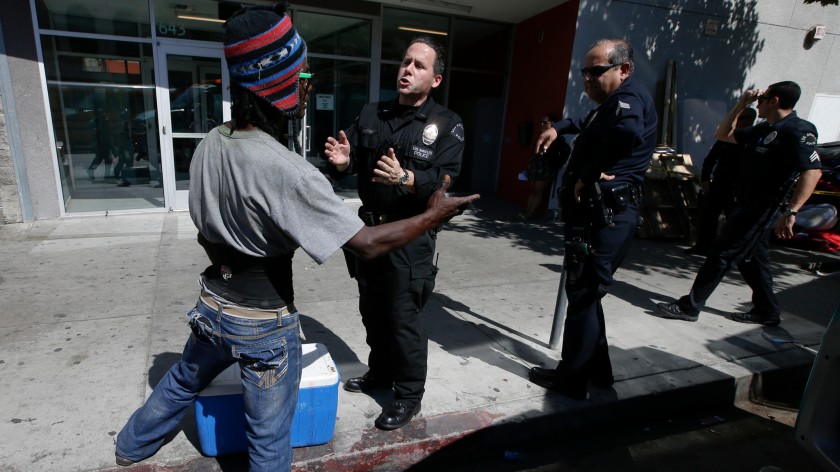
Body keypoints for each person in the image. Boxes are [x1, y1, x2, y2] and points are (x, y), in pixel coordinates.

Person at [114, 5, 478, 470]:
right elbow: (364, 242)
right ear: (281, 86)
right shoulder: (290, 170)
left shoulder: (209, 142)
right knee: (267, 439)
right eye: (302, 75)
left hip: (212, 302)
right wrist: (435, 215)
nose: (309, 86)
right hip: (264, 321)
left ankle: (130, 445)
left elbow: (205, 228)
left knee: (184, 377)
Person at [324, 36, 464, 430]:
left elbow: (446, 179)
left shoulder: (447, 124)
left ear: (435, 79)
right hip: (368, 233)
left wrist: (408, 179)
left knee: (403, 318)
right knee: (372, 310)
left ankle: (408, 395)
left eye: (419, 65)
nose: (408, 70)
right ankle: (380, 373)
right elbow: (350, 160)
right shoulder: (373, 113)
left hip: (410, 236)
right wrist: (343, 161)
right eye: (406, 62)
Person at [527, 38, 657, 400]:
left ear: (623, 69)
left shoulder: (630, 99)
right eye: (584, 71)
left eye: (595, 71)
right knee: (587, 295)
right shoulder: (613, 103)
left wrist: (590, 171)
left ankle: (572, 380)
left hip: (607, 217)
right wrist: (560, 127)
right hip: (597, 216)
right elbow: (588, 121)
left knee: (583, 295)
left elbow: (628, 132)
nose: (587, 78)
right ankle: (599, 372)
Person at [656, 81, 822, 326]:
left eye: (762, 99)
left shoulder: (797, 130)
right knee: (752, 260)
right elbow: (723, 134)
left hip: (761, 209)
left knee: (720, 254)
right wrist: (741, 103)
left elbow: (813, 172)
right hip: (745, 204)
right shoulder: (764, 129)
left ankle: (689, 307)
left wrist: (791, 211)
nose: (758, 103)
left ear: (774, 100)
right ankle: (767, 310)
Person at [685, 107, 757, 255]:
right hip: (720, 183)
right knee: (709, 217)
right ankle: (703, 246)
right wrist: (705, 178)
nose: (738, 123)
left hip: (738, 187)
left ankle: (731, 250)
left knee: (734, 221)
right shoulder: (729, 138)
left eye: (742, 119)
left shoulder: (752, 140)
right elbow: (711, 158)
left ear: (750, 120)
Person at [518, 114, 571, 221]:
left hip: (545, 169)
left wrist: (556, 165)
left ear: (552, 124)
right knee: (533, 190)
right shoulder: (541, 136)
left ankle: (530, 214)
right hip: (535, 167)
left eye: (545, 122)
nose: (542, 124)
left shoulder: (556, 138)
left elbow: (566, 151)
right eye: (541, 122)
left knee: (538, 191)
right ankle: (528, 211)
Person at [87, 109, 114, 181]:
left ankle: (107, 175)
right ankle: (91, 170)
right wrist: (101, 125)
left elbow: (108, 133)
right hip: (99, 144)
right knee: (98, 159)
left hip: (106, 143)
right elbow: (94, 132)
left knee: (108, 160)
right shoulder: (94, 122)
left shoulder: (105, 121)